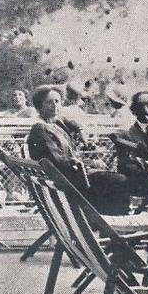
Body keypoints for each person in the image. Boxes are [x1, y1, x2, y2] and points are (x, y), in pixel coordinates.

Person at [26, 85, 133, 215]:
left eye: (57, 101)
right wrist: (91, 164)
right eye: (49, 102)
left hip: (73, 175)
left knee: (113, 179)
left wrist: (80, 130)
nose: (54, 105)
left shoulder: (55, 123)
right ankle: (114, 220)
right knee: (119, 180)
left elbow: (68, 121)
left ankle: (108, 219)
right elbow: (58, 161)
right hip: (68, 179)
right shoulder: (41, 130)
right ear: (39, 106)